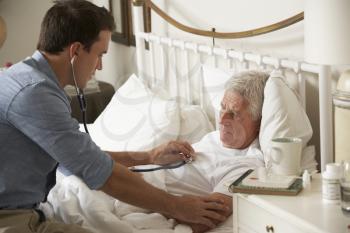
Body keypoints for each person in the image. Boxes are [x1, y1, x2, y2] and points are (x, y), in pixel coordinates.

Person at [0, 1, 227, 232]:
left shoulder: (23, 75)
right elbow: (102, 174)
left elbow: (79, 157)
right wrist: (178, 207)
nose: (99, 66)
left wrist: (149, 156)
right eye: (100, 54)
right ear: (75, 51)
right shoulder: (35, 94)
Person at [159, 70, 269, 233]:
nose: (222, 119)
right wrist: (154, 158)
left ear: (258, 122)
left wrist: (148, 199)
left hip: (138, 200)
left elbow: (206, 218)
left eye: (234, 114)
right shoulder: (212, 137)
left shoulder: (248, 167)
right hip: (128, 185)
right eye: (222, 108)